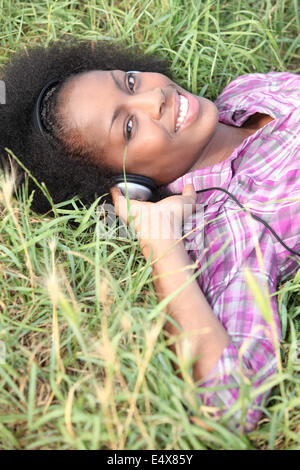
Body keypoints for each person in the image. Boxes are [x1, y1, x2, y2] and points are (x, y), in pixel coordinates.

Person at [0, 40, 299, 432]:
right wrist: (160, 244)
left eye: (129, 81)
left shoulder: (247, 91)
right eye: (128, 127)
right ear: (128, 186)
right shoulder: (233, 226)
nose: (153, 98)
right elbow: (230, 400)